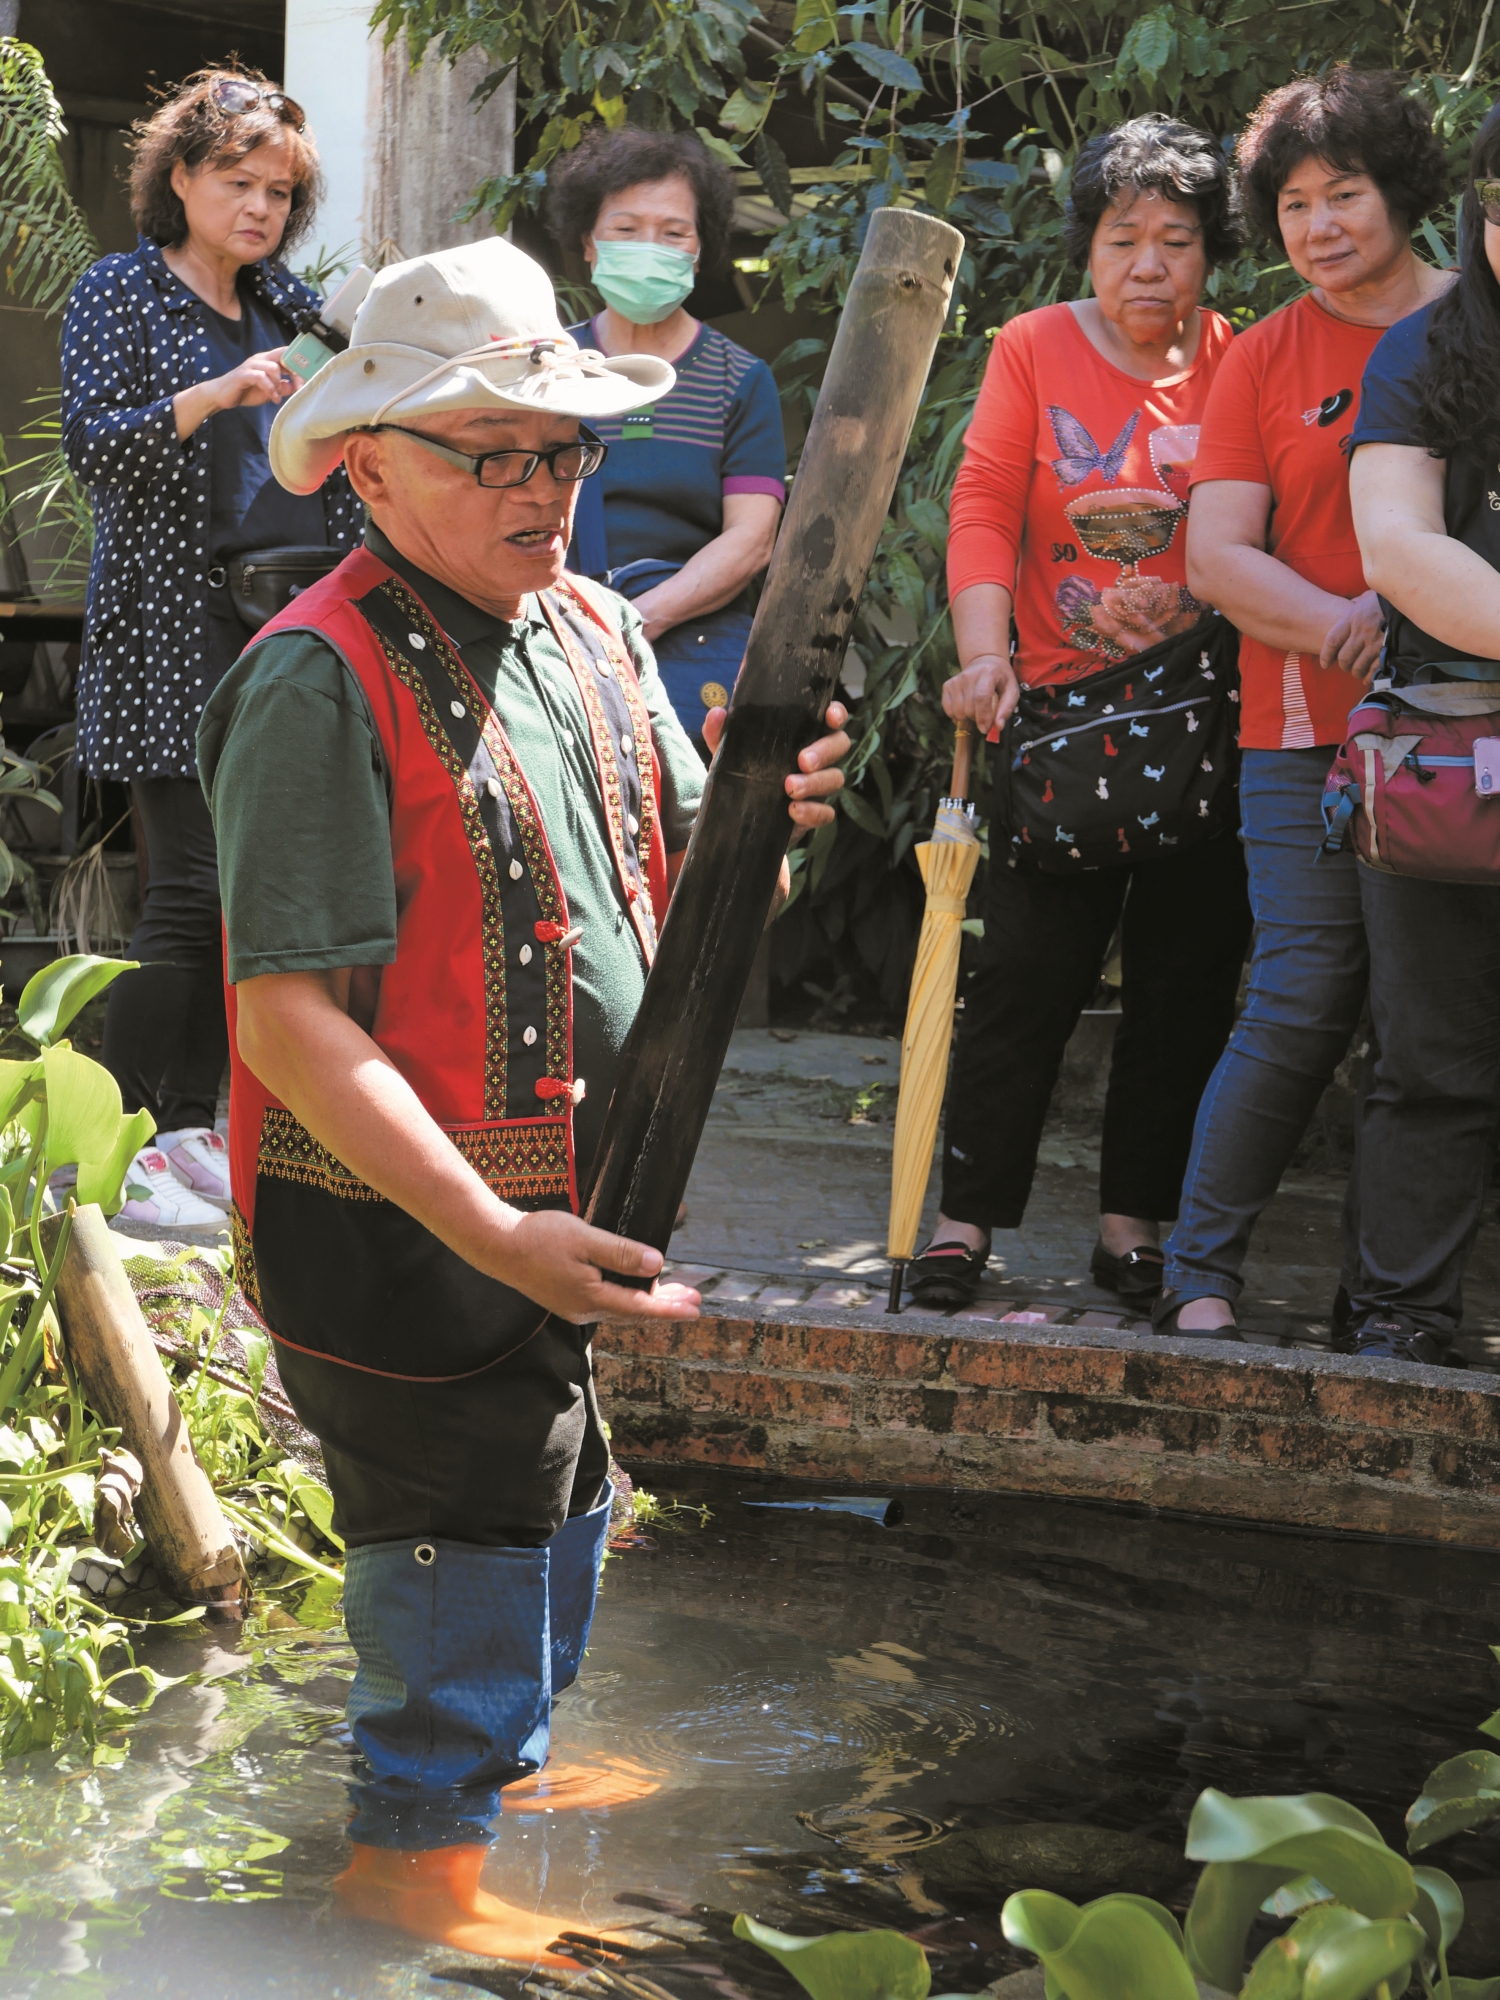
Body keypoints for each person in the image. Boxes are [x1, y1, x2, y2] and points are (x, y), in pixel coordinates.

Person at [199, 236, 848, 1957]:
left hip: (561, 1209)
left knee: (559, 1481)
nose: (539, 486)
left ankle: (506, 1770)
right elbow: (288, 1026)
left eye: (559, 448)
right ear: (365, 462)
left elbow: (696, 892)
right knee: (456, 1528)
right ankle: (405, 1876)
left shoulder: (590, 630)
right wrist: (489, 1223)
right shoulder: (312, 679)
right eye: (488, 452)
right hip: (395, 1230)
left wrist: (774, 828)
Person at [911, 115, 1251, 1311]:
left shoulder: (1238, 357)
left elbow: (1258, 526)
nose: (1149, 263)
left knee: (1185, 984)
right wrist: (983, 651)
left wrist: (1196, 587)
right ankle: (962, 1222)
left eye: (1176, 239)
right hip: (1055, 720)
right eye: (1124, 237)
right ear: (1088, 247)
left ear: (1212, 251)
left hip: (1203, 722)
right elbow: (986, 497)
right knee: (1022, 985)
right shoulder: (1034, 345)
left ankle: (1132, 1228)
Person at [1155, 69, 1454, 1339]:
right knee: (1299, 991)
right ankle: (1199, 1270)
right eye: (1291, 204)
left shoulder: (1474, 324)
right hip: (1302, 728)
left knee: (1432, 1022)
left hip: (1458, 730)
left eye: (1344, 194)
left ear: (1403, 191)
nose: (1320, 226)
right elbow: (1215, 556)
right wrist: (1344, 624)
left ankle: (1389, 1297)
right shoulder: (1264, 351)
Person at [61, 67, 359, 1232]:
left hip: (295, 618)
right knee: (185, 889)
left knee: (262, 894)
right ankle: (134, 1136)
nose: (260, 209)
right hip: (171, 621)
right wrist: (214, 394)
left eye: (280, 191)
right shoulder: (116, 292)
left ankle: (223, 1133)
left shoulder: (291, 302)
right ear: (178, 177)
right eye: (237, 182)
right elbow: (96, 450)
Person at [1341, 104, 1500, 1364]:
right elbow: (1400, 549)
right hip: (1452, 760)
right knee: (1431, 1054)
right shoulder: (1427, 351)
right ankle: (1401, 1319)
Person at [544, 126, 786, 750]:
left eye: (673, 232)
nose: (649, 247)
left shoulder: (740, 379)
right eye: (625, 229)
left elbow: (751, 539)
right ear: (589, 244)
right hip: (550, 640)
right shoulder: (548, 367)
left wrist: (637, 622)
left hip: (689, 659)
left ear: (699, 250)